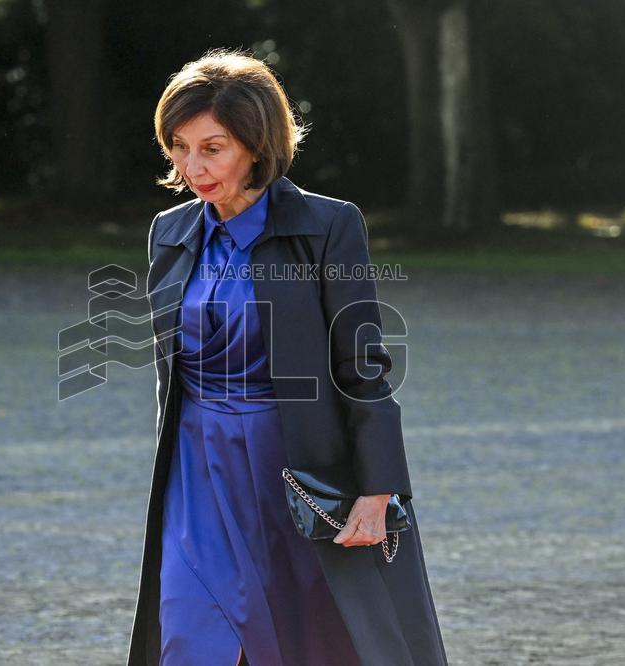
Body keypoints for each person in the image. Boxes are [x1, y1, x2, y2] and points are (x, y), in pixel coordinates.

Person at [127, 48, 448, 666]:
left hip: (299, 467)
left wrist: (378, 490)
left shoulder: (327, 226)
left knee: (316, 638)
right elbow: (174, 375)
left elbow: (363, 365)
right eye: (178, 146)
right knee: (192, 631)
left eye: (212, 147)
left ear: (256, 143)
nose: (192, 166)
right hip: (196, 471)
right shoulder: (169, 233)